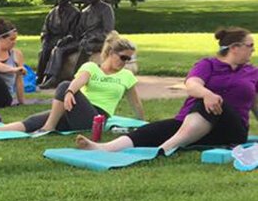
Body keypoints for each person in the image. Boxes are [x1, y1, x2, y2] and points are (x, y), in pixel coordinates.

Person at [77, 27, 257, 154]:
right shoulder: (207, 64)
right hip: (192, 124)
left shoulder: (253, 73)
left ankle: (166, 148)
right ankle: (105, 148)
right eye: (250, 45)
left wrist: (209, 97)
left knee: (211, 103)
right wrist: (207, 93)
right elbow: (192, 85)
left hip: (231, 131)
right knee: (153, 130)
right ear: (234, 48)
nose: (253, 49)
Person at [0, 32, 144, 134]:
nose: (125, 61)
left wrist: (143, 123)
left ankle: (49, 127)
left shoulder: (126, 76)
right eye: (123, 57)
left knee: (64, 87)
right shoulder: (91, 67)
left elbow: (136, 104)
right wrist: (71, 92)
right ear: (110, 53)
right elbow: (80, 80)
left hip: (95, 119)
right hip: (76, 108)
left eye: (128, 59)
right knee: (36, 119)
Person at [39, 0, 115, 89]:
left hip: (99, 41)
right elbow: (78, 31)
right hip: (83, 40)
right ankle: (53, 77)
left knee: (84, 47)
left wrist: (93, 37)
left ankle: (77, 78)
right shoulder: (85, 11)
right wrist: (68, 39)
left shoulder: (106, 9)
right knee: (59, 49)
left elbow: (108, 30)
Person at [37, 0, 80, 82]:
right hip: (53, 39)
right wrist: (44, 39)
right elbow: (45, 30)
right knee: (44, 49)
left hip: (68, 40)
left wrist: (66, 39)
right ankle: (39, 76)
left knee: (57, 50)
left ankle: (52, 77)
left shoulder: (75, 13)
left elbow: (74, 32)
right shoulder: (52, 12)